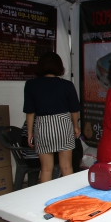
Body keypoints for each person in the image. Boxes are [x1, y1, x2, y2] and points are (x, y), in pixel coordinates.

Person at [23, 52, 80, 182]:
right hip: (64, 124)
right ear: (59, 67)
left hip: (43, 126)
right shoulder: (67, 85)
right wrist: (76, 126)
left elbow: (30, 112)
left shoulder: (31, 85)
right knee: (66, 166)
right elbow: (74, 109)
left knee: (46, 169)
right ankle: (69, 197)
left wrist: (30, 133)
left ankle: (46, 199)